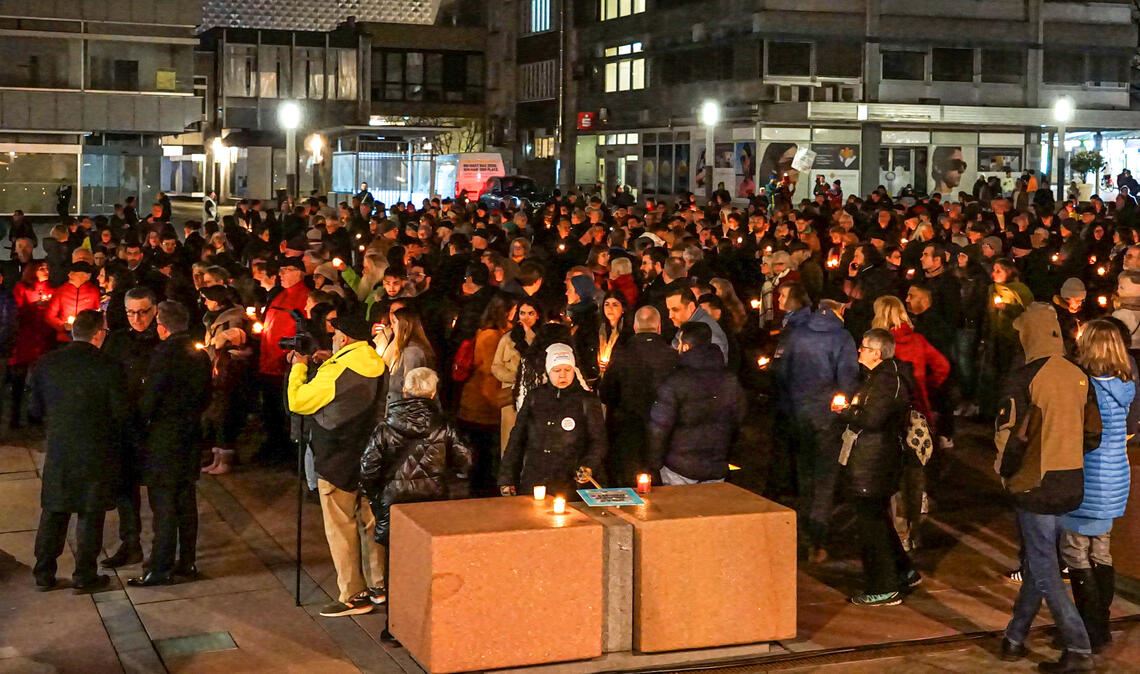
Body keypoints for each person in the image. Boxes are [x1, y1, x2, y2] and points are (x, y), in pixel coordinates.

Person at [995, 303, 1099, 671]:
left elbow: (1011, 437)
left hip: (1034, 481)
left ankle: (1078, 646)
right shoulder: (1078, 375)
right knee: (1040, 560)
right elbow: (1092, 434)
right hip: (1071, 478)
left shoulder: (1025, 377)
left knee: (1043, 568)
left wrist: (1006, 474)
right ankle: (1014, 636)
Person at [360, 367, 474, 640]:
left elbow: (368, 466)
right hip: (432, 502)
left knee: (395, 564)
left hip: (394, 503)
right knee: (429, 562)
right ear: (433, 392)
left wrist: (375, 494)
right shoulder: (444, 425)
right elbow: (465, 461)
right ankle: (429, 627)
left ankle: (396, 626)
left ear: (406, 391)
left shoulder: (386, 426)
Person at [287, 311, 388, 618]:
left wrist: (299, 368)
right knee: (371, 523)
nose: (332, 338)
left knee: (341, 527)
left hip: (336, 457)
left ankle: (353, 595)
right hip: (371, 454)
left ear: (343, 337)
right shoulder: (376, 361)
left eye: (334, 335)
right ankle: (379, 586)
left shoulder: (337, 370)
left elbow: (299, 401)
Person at [29, 311, 126, 593]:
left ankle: (44, 572)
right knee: (90, 513)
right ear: (99, 334)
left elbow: (34, 410)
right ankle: (85, 574)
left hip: (60, 448)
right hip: (96, 449)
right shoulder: (108, 366)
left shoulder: (46, 363)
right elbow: (120, 412)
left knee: (54, 511)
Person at [1061, 320, 1135, 653]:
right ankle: (1100, 624)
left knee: (1076, 553)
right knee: (1101, 551)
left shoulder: (1086, 386)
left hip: (1089, 477)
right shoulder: (1125, 383)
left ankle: (1089, 629)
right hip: (1116, 477)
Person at [772, 283, 859, 563]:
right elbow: (847, 379)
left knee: (805, 474)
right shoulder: (842, 338)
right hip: (826, 418)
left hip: (799, 413)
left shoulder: (798, 334)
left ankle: (801, 532)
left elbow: (781, 372)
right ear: (839, 310)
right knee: (824, 478)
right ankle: (817, 538)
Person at [127, 301, 212, 586]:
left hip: (165, 438)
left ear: (162, 327)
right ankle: (187, 561)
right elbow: (205, 395)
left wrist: (139, 423)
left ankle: (160, 566)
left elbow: (151, 397)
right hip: (190, 434)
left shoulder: (164, 354)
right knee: (185, 501)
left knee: (163, 504)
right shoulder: (198, 353)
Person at [837, 328, 920, 607]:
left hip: (873, 463)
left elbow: (872, 418)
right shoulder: (883, 377)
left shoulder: (885, 381)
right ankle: (903, 571)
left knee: (871, 526)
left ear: (877, 353)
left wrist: (846, 411)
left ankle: (883, 586)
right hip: (876, 460)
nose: (859, 351)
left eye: (863, 347)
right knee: (878, 519)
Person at [872, 296, 950, 551]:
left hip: (890, 417)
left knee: (891, 475)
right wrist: (927, 386)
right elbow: (942, 365)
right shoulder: (917, 340)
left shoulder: (878, 344)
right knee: (914, 475)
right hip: (919, 413)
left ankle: (897, 531)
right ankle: (911, 530)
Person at [499, 343, 607, 498]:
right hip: (536, 480)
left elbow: (598, 440)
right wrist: (507, 477)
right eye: (557, 370)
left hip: (570, 484)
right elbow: (517, 438)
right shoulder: (535, 398)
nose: (562, 375)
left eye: (567, 370)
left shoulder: (586, 400)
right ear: (548, 372)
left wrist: (589, 465)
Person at [647, 321, 745, 485]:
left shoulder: (675, 382)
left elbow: (659, 428)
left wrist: (654, 463)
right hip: (715, 466)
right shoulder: (730, 380)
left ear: (684, 346)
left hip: (679, 469)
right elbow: (738, 419)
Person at [600, 306, 678, 486]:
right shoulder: (673, 357)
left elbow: (606, 394)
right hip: (665, 433)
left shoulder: (622, 355)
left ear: (635, 327)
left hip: (626, 432)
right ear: (659, 327)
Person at [457, 292, 514, 495]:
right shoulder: (491, 337)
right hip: (481, 406)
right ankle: (482, 495)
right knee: (483, 457)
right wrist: (500, 403)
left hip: (482, 403)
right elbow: (490, 374)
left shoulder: (494, 334)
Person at [256, 257, 310, 464]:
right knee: (270, 411)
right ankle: (273, 445)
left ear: (299, 272)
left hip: (284, 365)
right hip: (268, 362)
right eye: (281, 270)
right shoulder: (278, 296)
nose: (281, 274)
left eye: (286, 270)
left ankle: (287, 452)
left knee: (284, 411)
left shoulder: (304, 297)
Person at [491, 299, 540, 456]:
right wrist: (514, 377)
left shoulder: (541, 338)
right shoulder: (507, 338)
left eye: (530, 313)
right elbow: (496, 366)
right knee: (509, 439)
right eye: (522, 313)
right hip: (511, 395)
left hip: (534, 394)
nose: (526, 317)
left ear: (538, 315)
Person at [9, 261, 54, 429]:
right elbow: (16, 311)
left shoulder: (50, 288)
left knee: (37, 380)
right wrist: (34, 307)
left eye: (47, 267)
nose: (46, 270)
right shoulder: (21, 288)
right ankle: (15, 416)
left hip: (41, 339)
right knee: (18, 380)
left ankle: (34, 415)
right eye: (42, 268)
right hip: (24, 339)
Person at [664, 285, 728, 363]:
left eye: (675, 310)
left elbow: (715, 365)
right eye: (669, 310)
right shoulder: (688, 324)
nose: (670, 316)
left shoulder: (708, 331)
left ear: (691, 307)